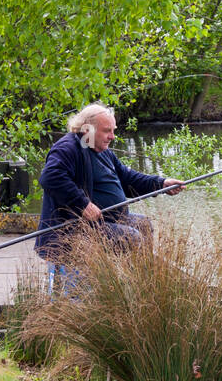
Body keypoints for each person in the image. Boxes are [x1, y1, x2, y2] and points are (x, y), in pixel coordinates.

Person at [35, 103, 185, 279]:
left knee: (143, 225)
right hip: (72, 228)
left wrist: (161, 184)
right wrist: (83, 204)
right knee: (131, 237)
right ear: (87, 129)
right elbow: (50, 177)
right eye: (107, 131)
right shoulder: (68, 147)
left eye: (113, 130)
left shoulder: (102, 151)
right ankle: (127, 283)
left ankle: (141, 281)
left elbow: (128, 180)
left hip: (105, 221)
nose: (112, 136)